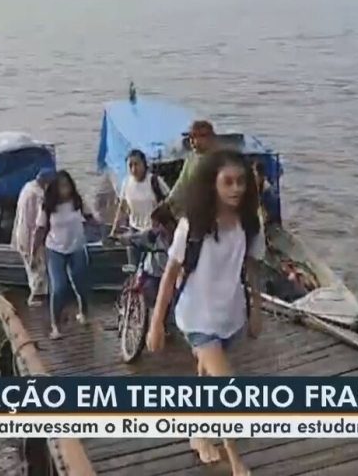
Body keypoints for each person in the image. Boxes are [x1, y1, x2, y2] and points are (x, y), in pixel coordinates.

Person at [147, 149, 265, 476]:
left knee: (207, 379)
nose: (236, 188)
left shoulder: (249, 224)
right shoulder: (193, 225)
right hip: (197, 316)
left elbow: (252, 268)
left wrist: (256, 310)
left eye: (241, 181)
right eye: (227, 181)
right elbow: (171, 273)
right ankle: (236, 462)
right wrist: (156, 322)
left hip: (230, 316)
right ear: (212, 184)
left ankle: (197, 432)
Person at [33, 170, 96, 339]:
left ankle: (84, 312)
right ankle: (55, 325)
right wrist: (34, 251)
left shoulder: (78, 201)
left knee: (80, 283)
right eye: (61, 186)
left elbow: (90, 218)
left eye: (67, 185)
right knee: (59, 286)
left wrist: (102, 231)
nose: (65, 189)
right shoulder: (48, 206)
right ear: (55, 188)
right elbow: (40, 229)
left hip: (77, 246)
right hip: (55, 249)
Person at [117, 204, 178, 329]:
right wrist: (121, 238)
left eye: (157, 225)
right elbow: (135, 238)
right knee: (150, 292)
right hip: (153, 273)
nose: (155, 228)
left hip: (171, 274)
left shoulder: (179, 237)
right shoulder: (152, 235)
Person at [109, 149, 170, 264]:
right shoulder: (127, 182)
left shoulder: (154, 181)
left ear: (144, 164)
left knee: (154, 267)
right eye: (130, 165)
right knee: (133, 266)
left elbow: (169, 202)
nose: (133, 169)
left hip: (153, 232)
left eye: (136, 164)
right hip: (134, 229)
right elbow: (122, 207)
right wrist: (114, 230)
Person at [12, 167, 55, 306]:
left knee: (32, 270)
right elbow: (40, 227)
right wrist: (34, 249)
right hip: (31, 237)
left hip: (21, 234)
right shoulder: (39, 195)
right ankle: (37, 301)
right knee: (37, 270)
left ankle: (38, 298)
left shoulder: (27, 187)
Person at [164, 120, 216, 218]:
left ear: (210, 138)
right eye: (191, 137)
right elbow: (181, 184)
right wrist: (168, 202)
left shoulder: (218, 159)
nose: (193, 141)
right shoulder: (191, 159)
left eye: (198, 136)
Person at [252, 160, 280, 227]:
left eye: (254, 172)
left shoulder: (267, 189)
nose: (252, 175)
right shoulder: (252, 185)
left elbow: (270, 212)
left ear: (260, 175)